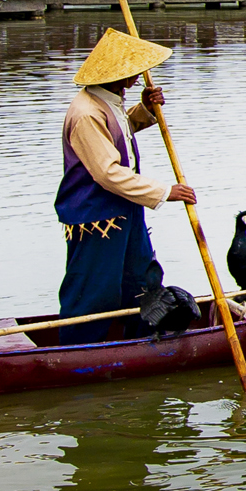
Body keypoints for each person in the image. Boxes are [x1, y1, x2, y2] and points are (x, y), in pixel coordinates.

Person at [56, 28, 198, 319]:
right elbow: (107, 172)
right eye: (131, 73)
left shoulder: (109, 101)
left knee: (140, 282)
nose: (135, 79)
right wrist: (163, 192)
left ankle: (140, 338)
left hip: (125, 207)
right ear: (115, 75)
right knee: (93, 290)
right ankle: (81, 348)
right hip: (97, 215)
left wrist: (145, 109)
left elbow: (119, 132)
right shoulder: (87, 112)